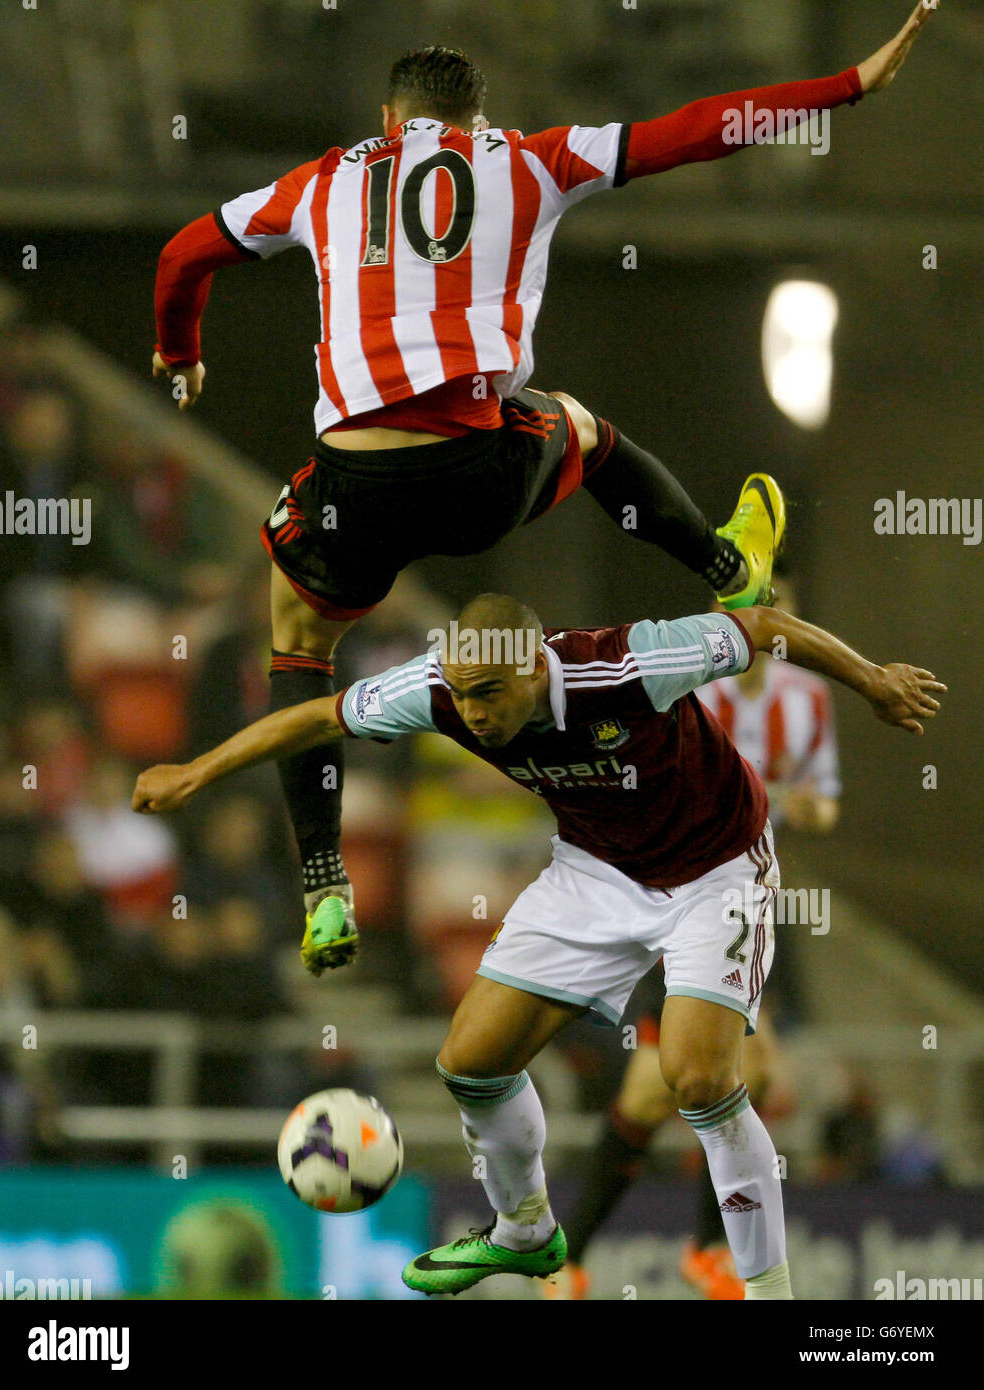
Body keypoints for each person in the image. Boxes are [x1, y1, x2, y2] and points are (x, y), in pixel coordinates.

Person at [150, 7, 934, 972]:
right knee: (588, 430)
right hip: (485, 476)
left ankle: (322, 883)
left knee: (301, 646)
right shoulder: (531, 160)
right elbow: (696, 129)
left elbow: (182, 254)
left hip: (358, 480)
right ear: (479, 119)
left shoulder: (320, 182)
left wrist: (178, 353)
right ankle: (727, 565)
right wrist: (845, 86)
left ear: (387, 118)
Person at [132, 591, 945, 1298]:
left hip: (715, 868)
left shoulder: (628, 663)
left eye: (489, 695)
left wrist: (873, 681)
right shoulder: (445, 692)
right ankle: (524, 1227)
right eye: (461, 696)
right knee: (471, 1060)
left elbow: (763, 624)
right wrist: (197, 771)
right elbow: (317, 715)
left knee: (697, 1079)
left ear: (533, 666)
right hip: (595, 870)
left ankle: (769, 1290)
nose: (474, 715)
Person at [555, 571, 839, 1300]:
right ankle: (701, 1249)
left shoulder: (808, 699)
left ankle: (572, 1258)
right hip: (675, 892)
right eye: (749, 612)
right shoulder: (689, 688)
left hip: (748, 895)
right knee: (738, 1071)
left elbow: (826, 803)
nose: (765, 627)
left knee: (656, 1094)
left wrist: (806, 810)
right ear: (721, 620)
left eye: (778, 614)